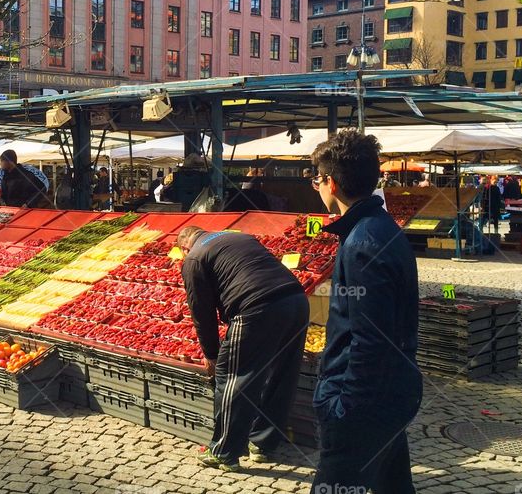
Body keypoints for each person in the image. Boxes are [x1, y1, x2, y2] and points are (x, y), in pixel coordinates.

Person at [309, 129, 422, 492]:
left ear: (330, 183)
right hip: (389, 390)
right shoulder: (379, 228)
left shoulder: (362, 242)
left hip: (365, 401)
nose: (317, 186)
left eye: (317, 179)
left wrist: (345, 406)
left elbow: (371, 338)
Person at [177, 225, 308, 473]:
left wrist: (211, 354)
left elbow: (201, 312)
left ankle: (224, 451)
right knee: (281, 374)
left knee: (232, 375)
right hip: (296, 299)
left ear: (185, 248)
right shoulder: (238, 237)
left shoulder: (194, 258)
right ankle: (263, 444)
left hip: (255, 307)